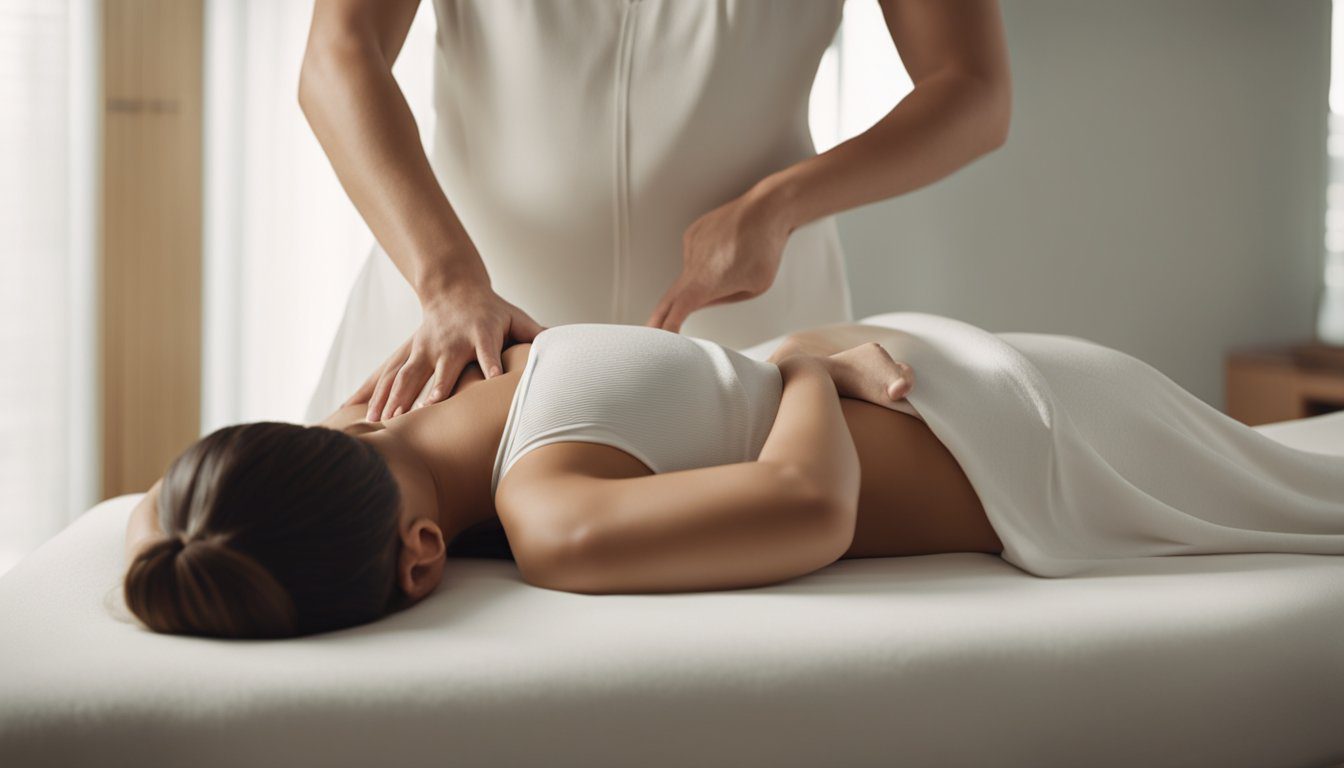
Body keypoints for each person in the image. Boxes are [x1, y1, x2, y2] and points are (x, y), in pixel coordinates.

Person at [121, 313, 1344, 639]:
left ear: (420, 557)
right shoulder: (494, 380)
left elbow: (808, 508)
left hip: (1035, 435)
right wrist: (806, 361)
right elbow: (799, 499)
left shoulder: (549, 512)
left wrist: (810, 363)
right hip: (1001, 379)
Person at [297, 0, 1012, 424]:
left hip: (744, 333)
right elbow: (336, 55)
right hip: (453, 321)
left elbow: (972, 89)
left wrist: (780, 202)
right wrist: (446, 283)